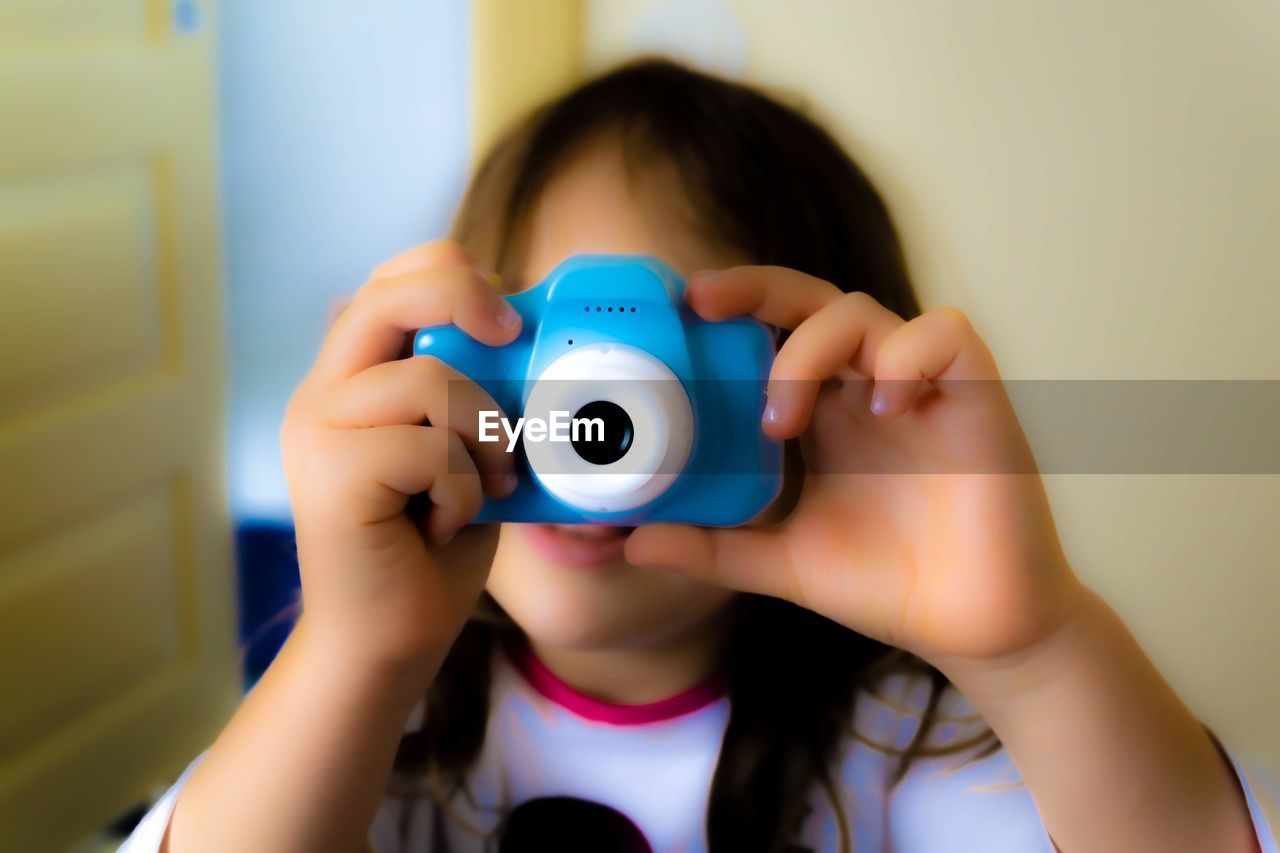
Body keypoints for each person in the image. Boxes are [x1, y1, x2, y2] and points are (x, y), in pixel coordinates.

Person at [123, 59, 1278, 852]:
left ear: (823, 407)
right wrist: (350, 648)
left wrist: (1030, 649)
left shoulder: (897, 738)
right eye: (539, 349)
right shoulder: (378, 716)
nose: (595, 429)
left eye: (671, 362)